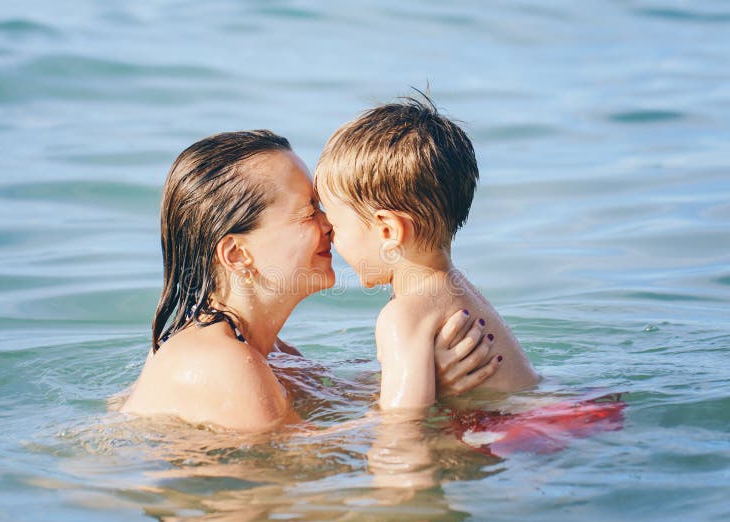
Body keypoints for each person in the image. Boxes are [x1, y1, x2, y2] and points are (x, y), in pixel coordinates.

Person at [120, 130, 501, 432]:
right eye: (308, 212)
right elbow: (319, 469)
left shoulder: (273, 353)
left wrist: (419, 375)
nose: (330, 225)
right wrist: (431, 395)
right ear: (238, 254)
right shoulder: (219, 364)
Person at [314, 95, 540, 412]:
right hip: (547, 417)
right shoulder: (457, 291)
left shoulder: (403, 316)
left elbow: (403, 428)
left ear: (388, 231)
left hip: (514, 434)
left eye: (335, 225)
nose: (328, 234)